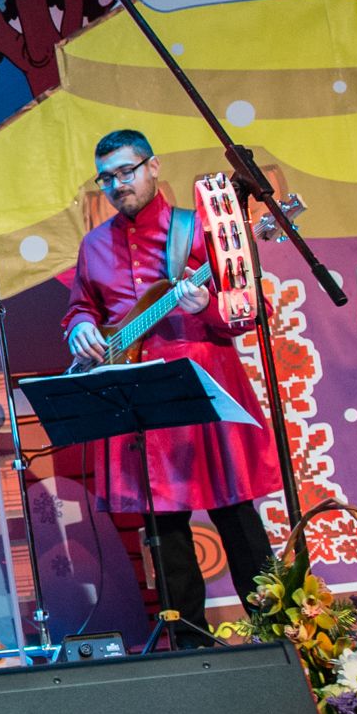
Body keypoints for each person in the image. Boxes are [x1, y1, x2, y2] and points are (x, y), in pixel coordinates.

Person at [62, 130, 281, 629]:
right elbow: (80, 308)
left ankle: (278, 636)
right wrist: (80, 329)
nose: (118, 185)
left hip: (202, 388)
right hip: (137, 394)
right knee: (165, 536)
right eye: (107, 178)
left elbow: (253, 310)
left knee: (237, 519)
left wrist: (207, 308)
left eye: (127, 171)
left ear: (153, 166)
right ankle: (188, 645)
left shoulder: (200, 229)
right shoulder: (94, 246)